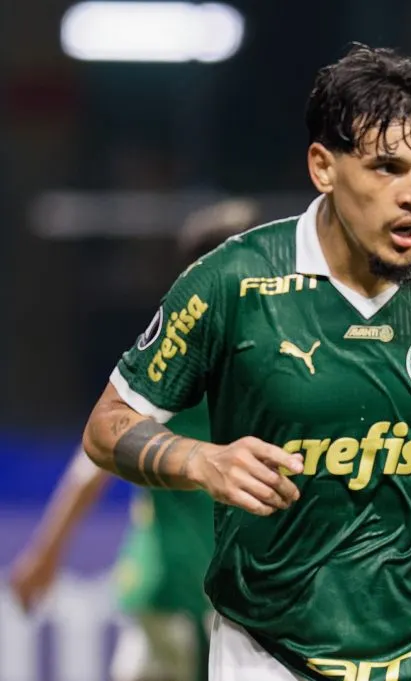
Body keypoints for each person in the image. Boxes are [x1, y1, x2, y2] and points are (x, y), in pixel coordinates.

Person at [81, 43, 411, 681]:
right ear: (324, 167)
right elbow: (107, 426)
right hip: (270, 656)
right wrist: (201, 460)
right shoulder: (231, 284)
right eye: (386, 168)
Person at [8, 198, 262, 681]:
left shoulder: (259, 360)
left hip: (205, 598)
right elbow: (96, 458)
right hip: (184, 599)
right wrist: (44, 556)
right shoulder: (183, 365)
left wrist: (45, 556)